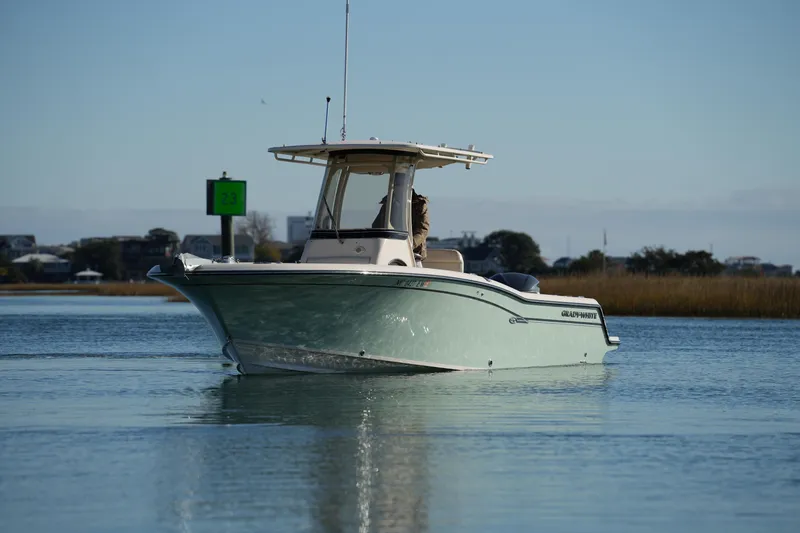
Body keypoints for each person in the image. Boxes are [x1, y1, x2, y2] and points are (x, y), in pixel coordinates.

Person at [371, 187, 430, 264]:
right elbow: (377, 225)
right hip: (390, 250)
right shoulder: (388, 203)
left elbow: (423, 230)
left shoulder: (419, 204)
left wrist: (410, 245)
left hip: (414, 253)